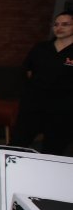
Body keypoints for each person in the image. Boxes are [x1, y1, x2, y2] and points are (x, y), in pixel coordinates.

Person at [10, 10, 73, 155]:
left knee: (53, 149)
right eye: (56, 24)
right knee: (17, 143)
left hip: (63, 109)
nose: (59, 28)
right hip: (33, 104)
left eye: (65, 24)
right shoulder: (41, 48)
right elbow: (28, 71)